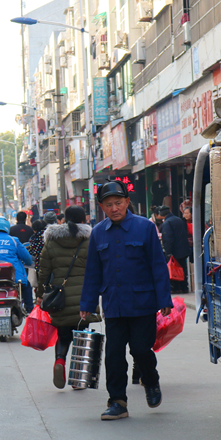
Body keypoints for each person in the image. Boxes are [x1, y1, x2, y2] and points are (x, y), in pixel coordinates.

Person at [80, 179, 173, 421]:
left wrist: (164, 298)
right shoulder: (98, 232)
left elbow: (158, 266)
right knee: (113, 354)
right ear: (102, 207)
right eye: (109, 204)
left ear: (127, 202)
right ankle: (117, 401)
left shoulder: (145, 228)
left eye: (118, 203)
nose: (114, 208)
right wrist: (87, 304)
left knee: (141, 350)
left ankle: (151, 380)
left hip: (143, 303)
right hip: (113, 304)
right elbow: (92, 271)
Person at [36, 206, 100, 389]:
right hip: (85, 297)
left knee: (63, 335)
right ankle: (79, 379)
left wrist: (40, 295)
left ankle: (59, 361)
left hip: (60, 297)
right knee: (82, 334)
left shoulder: (51, 240)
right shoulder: (90, 239)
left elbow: (44, 271)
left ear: (63, 219)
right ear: (84, 219)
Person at [156, 206, 191, 294]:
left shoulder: (167, 223)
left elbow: (168, 239)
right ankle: (184, 287)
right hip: (183, 250)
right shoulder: (178, 220)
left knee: (173, 270)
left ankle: (175, 288)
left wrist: (168, 252)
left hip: (175, 251)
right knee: (182, 269)